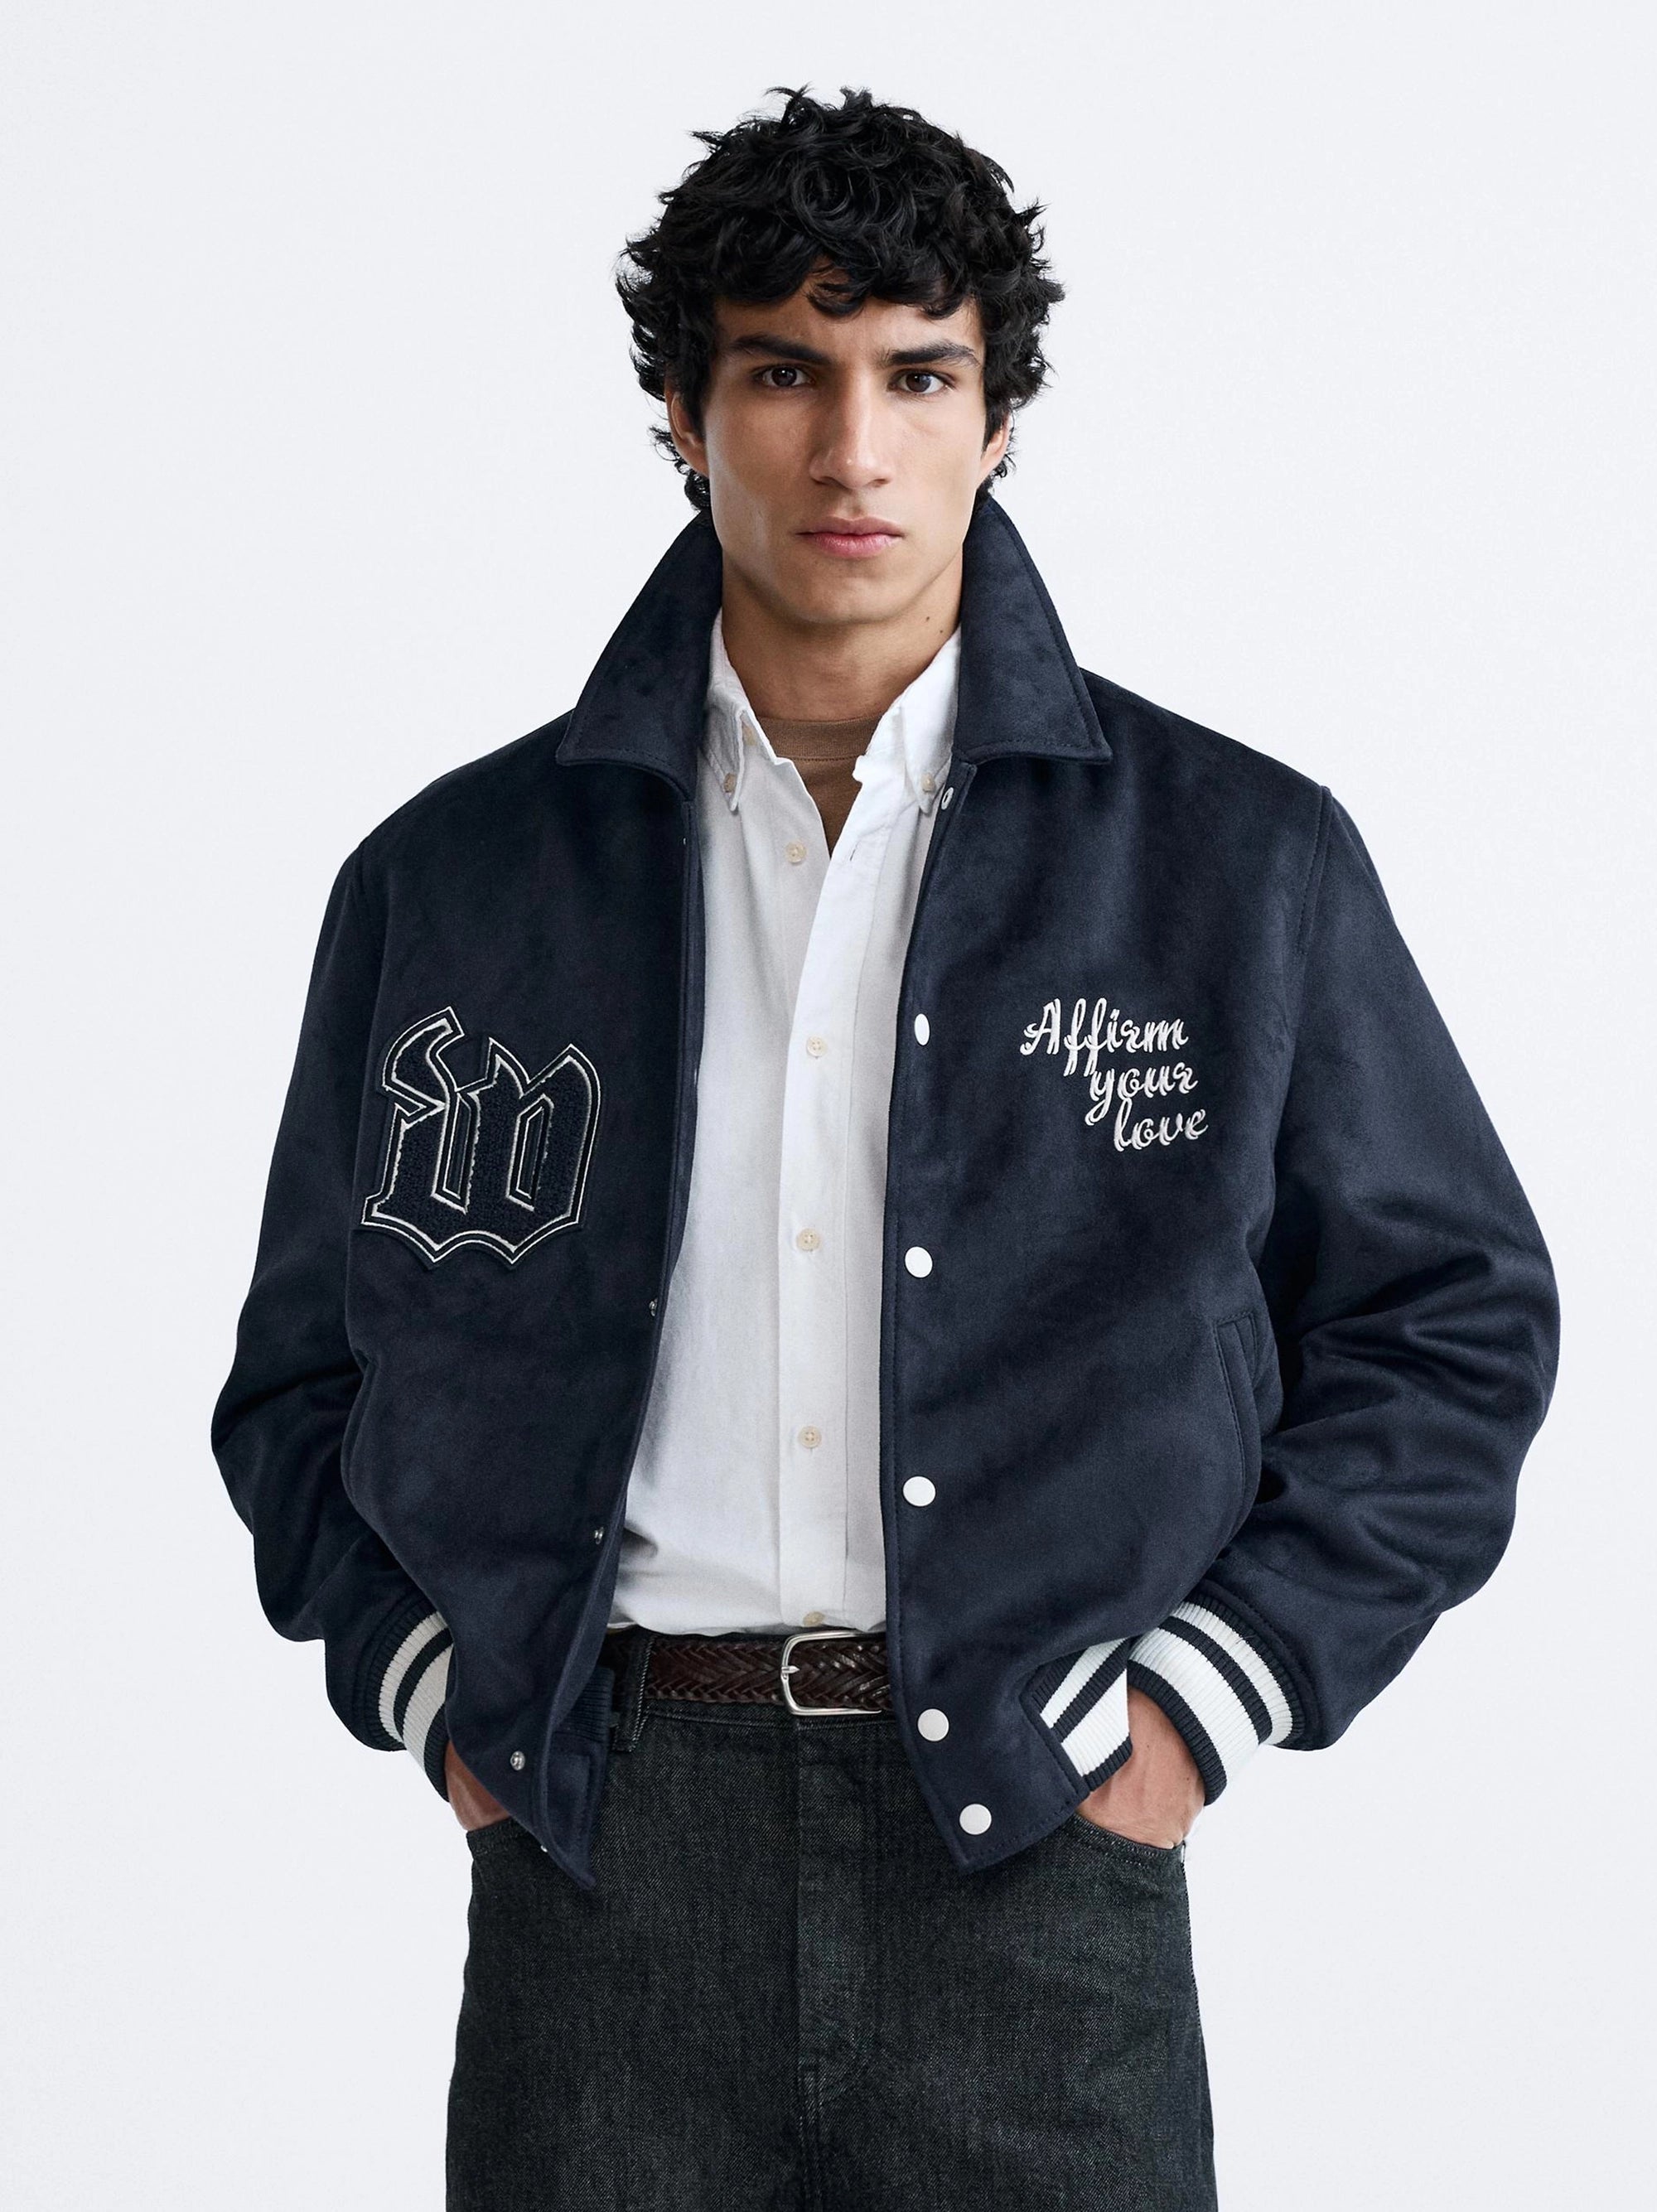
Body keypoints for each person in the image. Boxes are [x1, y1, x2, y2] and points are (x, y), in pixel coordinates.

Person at [211, 83, 1560, 2212]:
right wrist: (445, 1703)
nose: (852, 449)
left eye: (918, 375)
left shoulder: (1233, 863)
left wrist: (1192, 1714)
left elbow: (1450, 1324)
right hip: (600, 1859)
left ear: (998, 418)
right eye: (783, 373)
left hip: (1036, 1854)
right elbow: (305, 1378)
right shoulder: (454, 882)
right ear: (681, 414)